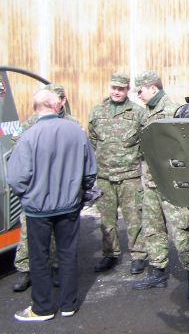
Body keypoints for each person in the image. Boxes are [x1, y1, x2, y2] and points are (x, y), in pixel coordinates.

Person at [8, 89, 96, 321]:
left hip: (38, 210)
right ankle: (69, 304)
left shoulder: (28, 136)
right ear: (54, 106)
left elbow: (16, 178)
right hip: (69, 206)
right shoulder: (76, 131)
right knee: (67, 254)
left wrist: (27, 196)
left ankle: (43, 308)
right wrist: (79, 191)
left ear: (37, 107)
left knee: (39, 258)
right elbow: (90, 171)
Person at [132, 70, 189, 300]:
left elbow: (186, 147)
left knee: (180, 230)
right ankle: (157, 272)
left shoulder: (173, 111)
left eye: (140, 90)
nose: (138, 95)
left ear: (153, 88)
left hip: (171, 183)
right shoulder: (145, 113)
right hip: (151, 181)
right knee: (152, 228)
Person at [11, 83, 77, 293]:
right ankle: (25, 269)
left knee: (59, 237)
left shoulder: (72, 124)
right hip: (37, 191)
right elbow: (18, 152)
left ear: (62, 100)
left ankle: (57, 268)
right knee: (27, 233)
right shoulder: (32, 123)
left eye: (56, 98)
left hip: (62, 190)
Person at [88, 73, 147, 275]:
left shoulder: (138, 113)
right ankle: (110, 254)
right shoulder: (97, 112)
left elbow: (145, 142)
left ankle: (138, 255)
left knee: (134, 218)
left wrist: (131, 159)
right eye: (114, 88)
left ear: (127, 90)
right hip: (104, 176)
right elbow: (93, 139)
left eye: (121, 89)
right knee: (106, 220)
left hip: (129, 176)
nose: (116, 92)